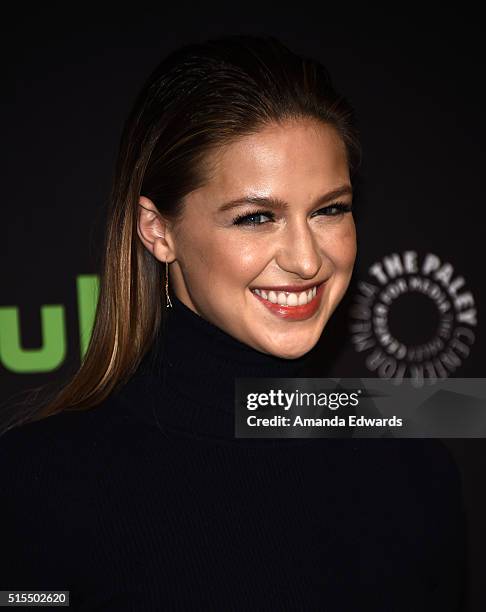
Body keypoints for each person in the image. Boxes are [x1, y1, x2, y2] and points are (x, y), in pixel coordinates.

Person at [0, 35, 466, 610]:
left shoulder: (412, 468)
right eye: (255, 218)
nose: (305, 259)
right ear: (158, 230)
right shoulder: (38, 485)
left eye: (329, 210)